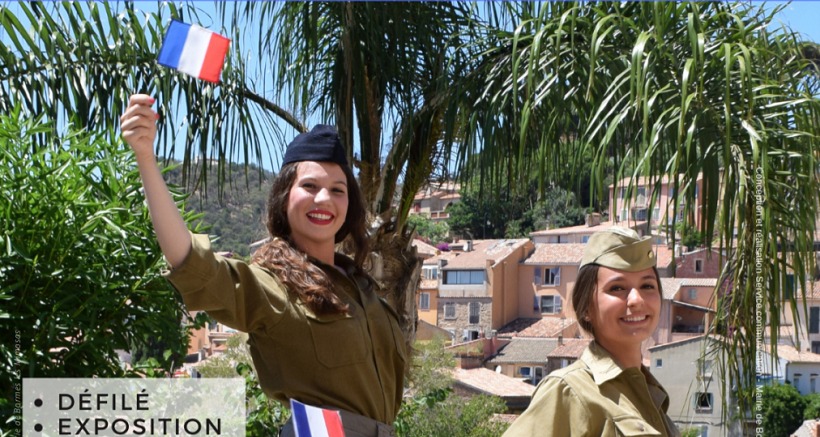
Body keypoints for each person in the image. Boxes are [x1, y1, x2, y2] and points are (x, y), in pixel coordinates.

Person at [120, 94, 406, 437]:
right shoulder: (272, 286)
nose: (324, 199)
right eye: (310, 186)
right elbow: (192, 264)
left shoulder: (361, 286)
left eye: (338, 189)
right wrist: (146, 159)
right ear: (285, 196)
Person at [503, 227, 680, 437]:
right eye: (617, 288)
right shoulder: (569, 391)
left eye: (648, 286)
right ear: (586, 307)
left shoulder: (652, 395)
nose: (637, 300)